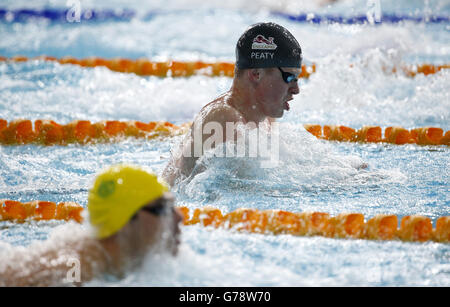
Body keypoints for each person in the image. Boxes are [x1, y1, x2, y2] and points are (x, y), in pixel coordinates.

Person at [162, 22, 303, 186]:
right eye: (290, 78)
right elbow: (223, 195)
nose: (296, 89)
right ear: (256, 74)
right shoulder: (224, 118)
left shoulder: (265, 118)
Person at [0, 164, 183, 286]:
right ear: (124, 221)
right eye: (163, 209)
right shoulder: (73, 271)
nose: (179, 217)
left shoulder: (127, 259)